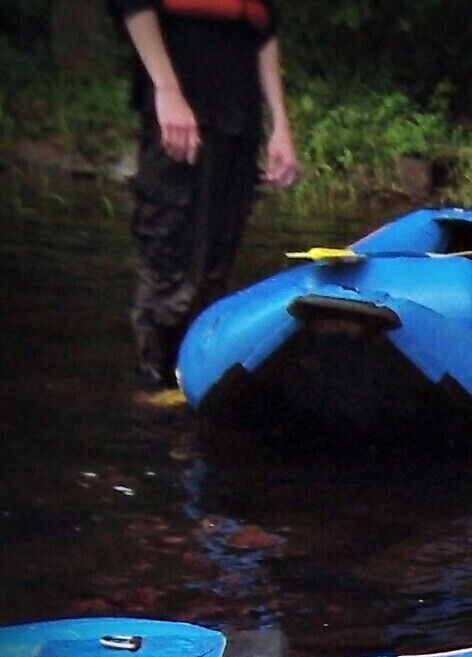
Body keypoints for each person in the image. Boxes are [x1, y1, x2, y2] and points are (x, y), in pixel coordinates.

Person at [116, 0, 298, 388]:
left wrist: (280, 124)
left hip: (239, 123)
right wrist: (167, 89)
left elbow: (264, 29)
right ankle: (154, 388)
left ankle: (191, 386)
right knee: (170, 274)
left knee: (212, 277)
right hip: (179, 117)